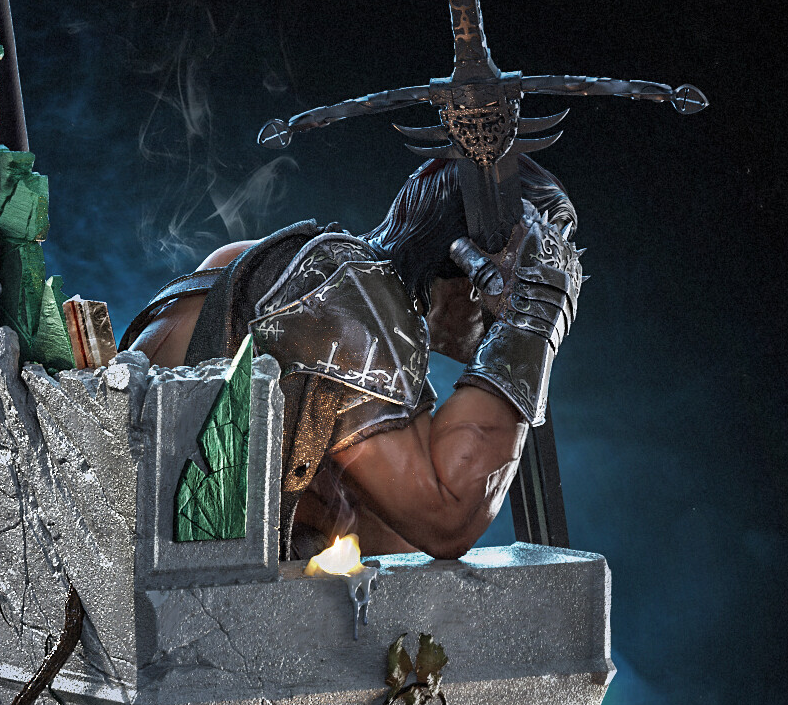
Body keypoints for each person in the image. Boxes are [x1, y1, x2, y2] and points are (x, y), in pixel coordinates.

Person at [122, 156, 582, 560]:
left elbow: (394, 548)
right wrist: (530, 316)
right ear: (475, 270)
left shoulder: (265, 264)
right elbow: (447, 516)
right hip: (158, 592)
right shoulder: (347, 295)